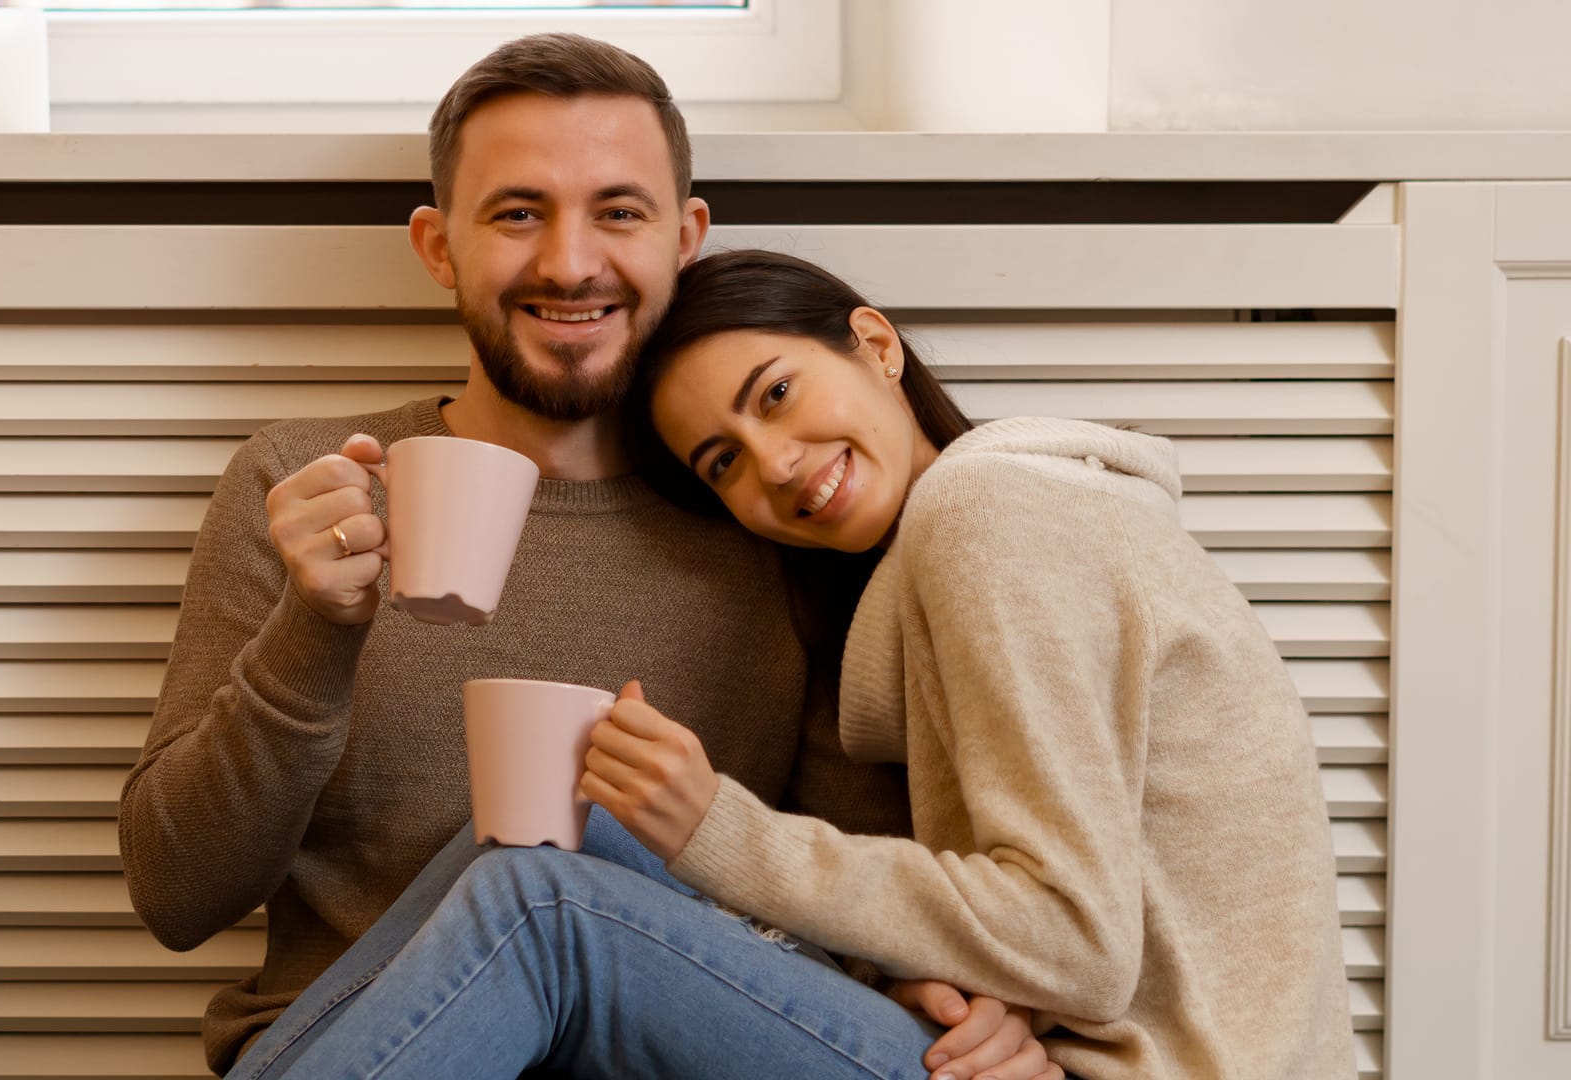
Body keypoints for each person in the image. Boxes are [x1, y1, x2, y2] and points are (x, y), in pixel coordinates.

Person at [120, 33, 1049, 1078]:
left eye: (619, 211)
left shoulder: (777, 515)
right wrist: (313, 631)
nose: (570, 262)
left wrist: (941, 995)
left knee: (544, 868)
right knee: (530, 869)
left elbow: (852, 890)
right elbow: (176, 895)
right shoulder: (304, 488)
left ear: (685, 237)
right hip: (356, 1042)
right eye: (518, 214)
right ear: (439, 247)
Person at [261, 249, 1356, 1079]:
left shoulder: (995, 513)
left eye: (776, 394)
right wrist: (934, 981)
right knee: (558, 814)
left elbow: (1072, 941)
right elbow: (1004, 917)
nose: (777, 469)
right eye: (725, 461)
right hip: (1023, 1048)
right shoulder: (895, 600)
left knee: (546, 906)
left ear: (875, 344)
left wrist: (718, 829)